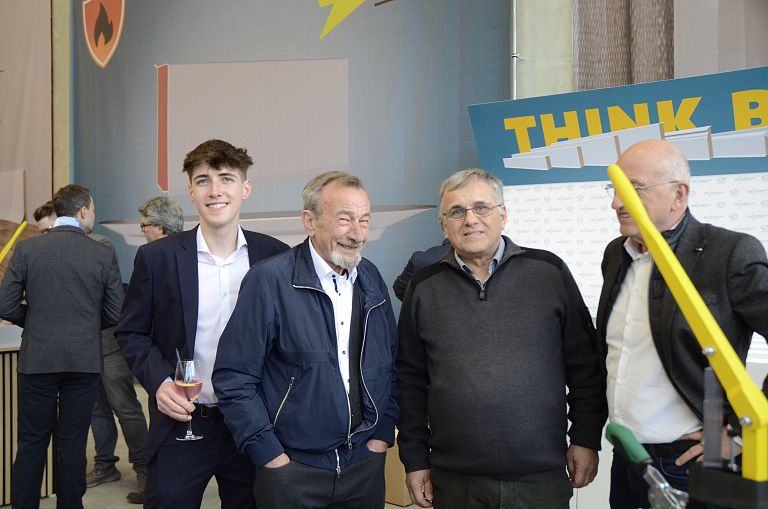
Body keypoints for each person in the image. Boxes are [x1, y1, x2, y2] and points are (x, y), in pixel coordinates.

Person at [397, 168, 606, 509]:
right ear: (444, 225)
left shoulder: (549, 273)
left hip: (540, 478)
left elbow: (586, 367)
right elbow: (409, 381)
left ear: (503, 215)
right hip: (455, 480)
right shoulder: (423, 287)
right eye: (456, 212)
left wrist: (585, 438)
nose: (470, 220)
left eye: (481, 207)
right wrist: (415, 459)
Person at [116, 139, 289, 509]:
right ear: (191, 192)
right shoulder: (156, 258)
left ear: (245, 188)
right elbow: (131, 332)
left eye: (226, 178)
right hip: (183, 420)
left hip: (255, 423)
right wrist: (160, 381)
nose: (215, 190)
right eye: (203, 180)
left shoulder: (275, 257)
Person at [596, 139, 768, 508]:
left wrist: (739, 437)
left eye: (634, 188)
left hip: (688, 463)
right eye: (615, 189)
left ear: (678, 195)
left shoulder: (729, 253)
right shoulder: (616, 254)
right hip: (627, 457)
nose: (617, 203)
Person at [213, 171, 399, 509]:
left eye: (364, 220)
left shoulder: (371, 277)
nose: (357, 233)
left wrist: (382, 436)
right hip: (292, 471)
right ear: (309, 221)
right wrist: (269, 455)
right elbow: (234, 377)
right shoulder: (269, 281)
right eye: (344, 219)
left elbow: (391, 364)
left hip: (364, 465)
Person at [0, 185, 124, 509]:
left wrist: (36, 322)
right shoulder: (102, 253)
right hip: (84, 361)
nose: (93, 215)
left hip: (37, 360)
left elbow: (5, 304)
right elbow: (115, 312)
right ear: (82, 211)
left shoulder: (28, 250)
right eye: (93, 210)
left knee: (31, 443)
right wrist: (85, 326)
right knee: (73, 443)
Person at [86, 196, 183, 504]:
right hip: (153, 352)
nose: (142, 231)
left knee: (137, 411)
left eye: (144, 226)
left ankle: (148, 473)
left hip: (163, 354)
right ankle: (119, 467)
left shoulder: (157, 255)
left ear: (160, 227)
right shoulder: (159, 254)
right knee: (106, 409)